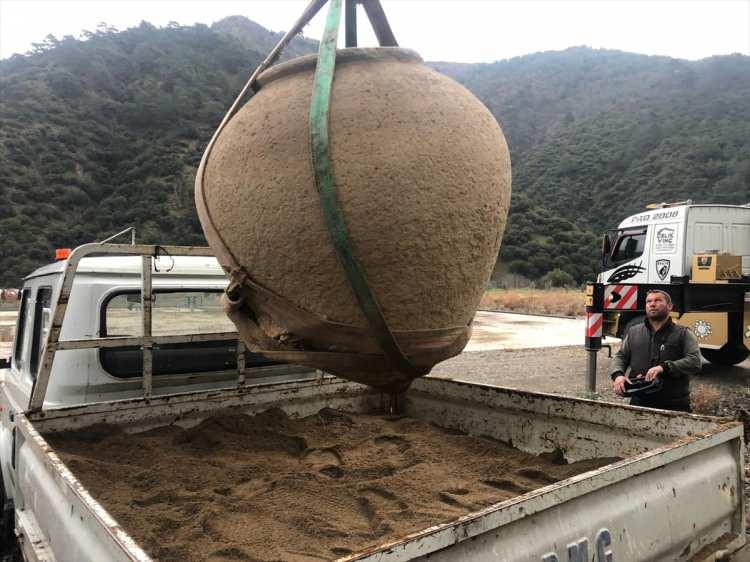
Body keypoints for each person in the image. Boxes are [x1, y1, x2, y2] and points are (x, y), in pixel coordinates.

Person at [610, 289, 701, 412]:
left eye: (658, 300)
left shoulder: (683, 333)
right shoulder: (633, 332)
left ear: (670, 306)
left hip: (675, 404)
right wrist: (618, 375)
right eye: (649, 301)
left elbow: (694, 361)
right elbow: (621, 356)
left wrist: (664, 367)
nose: (652, 304)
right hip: (639, 401)